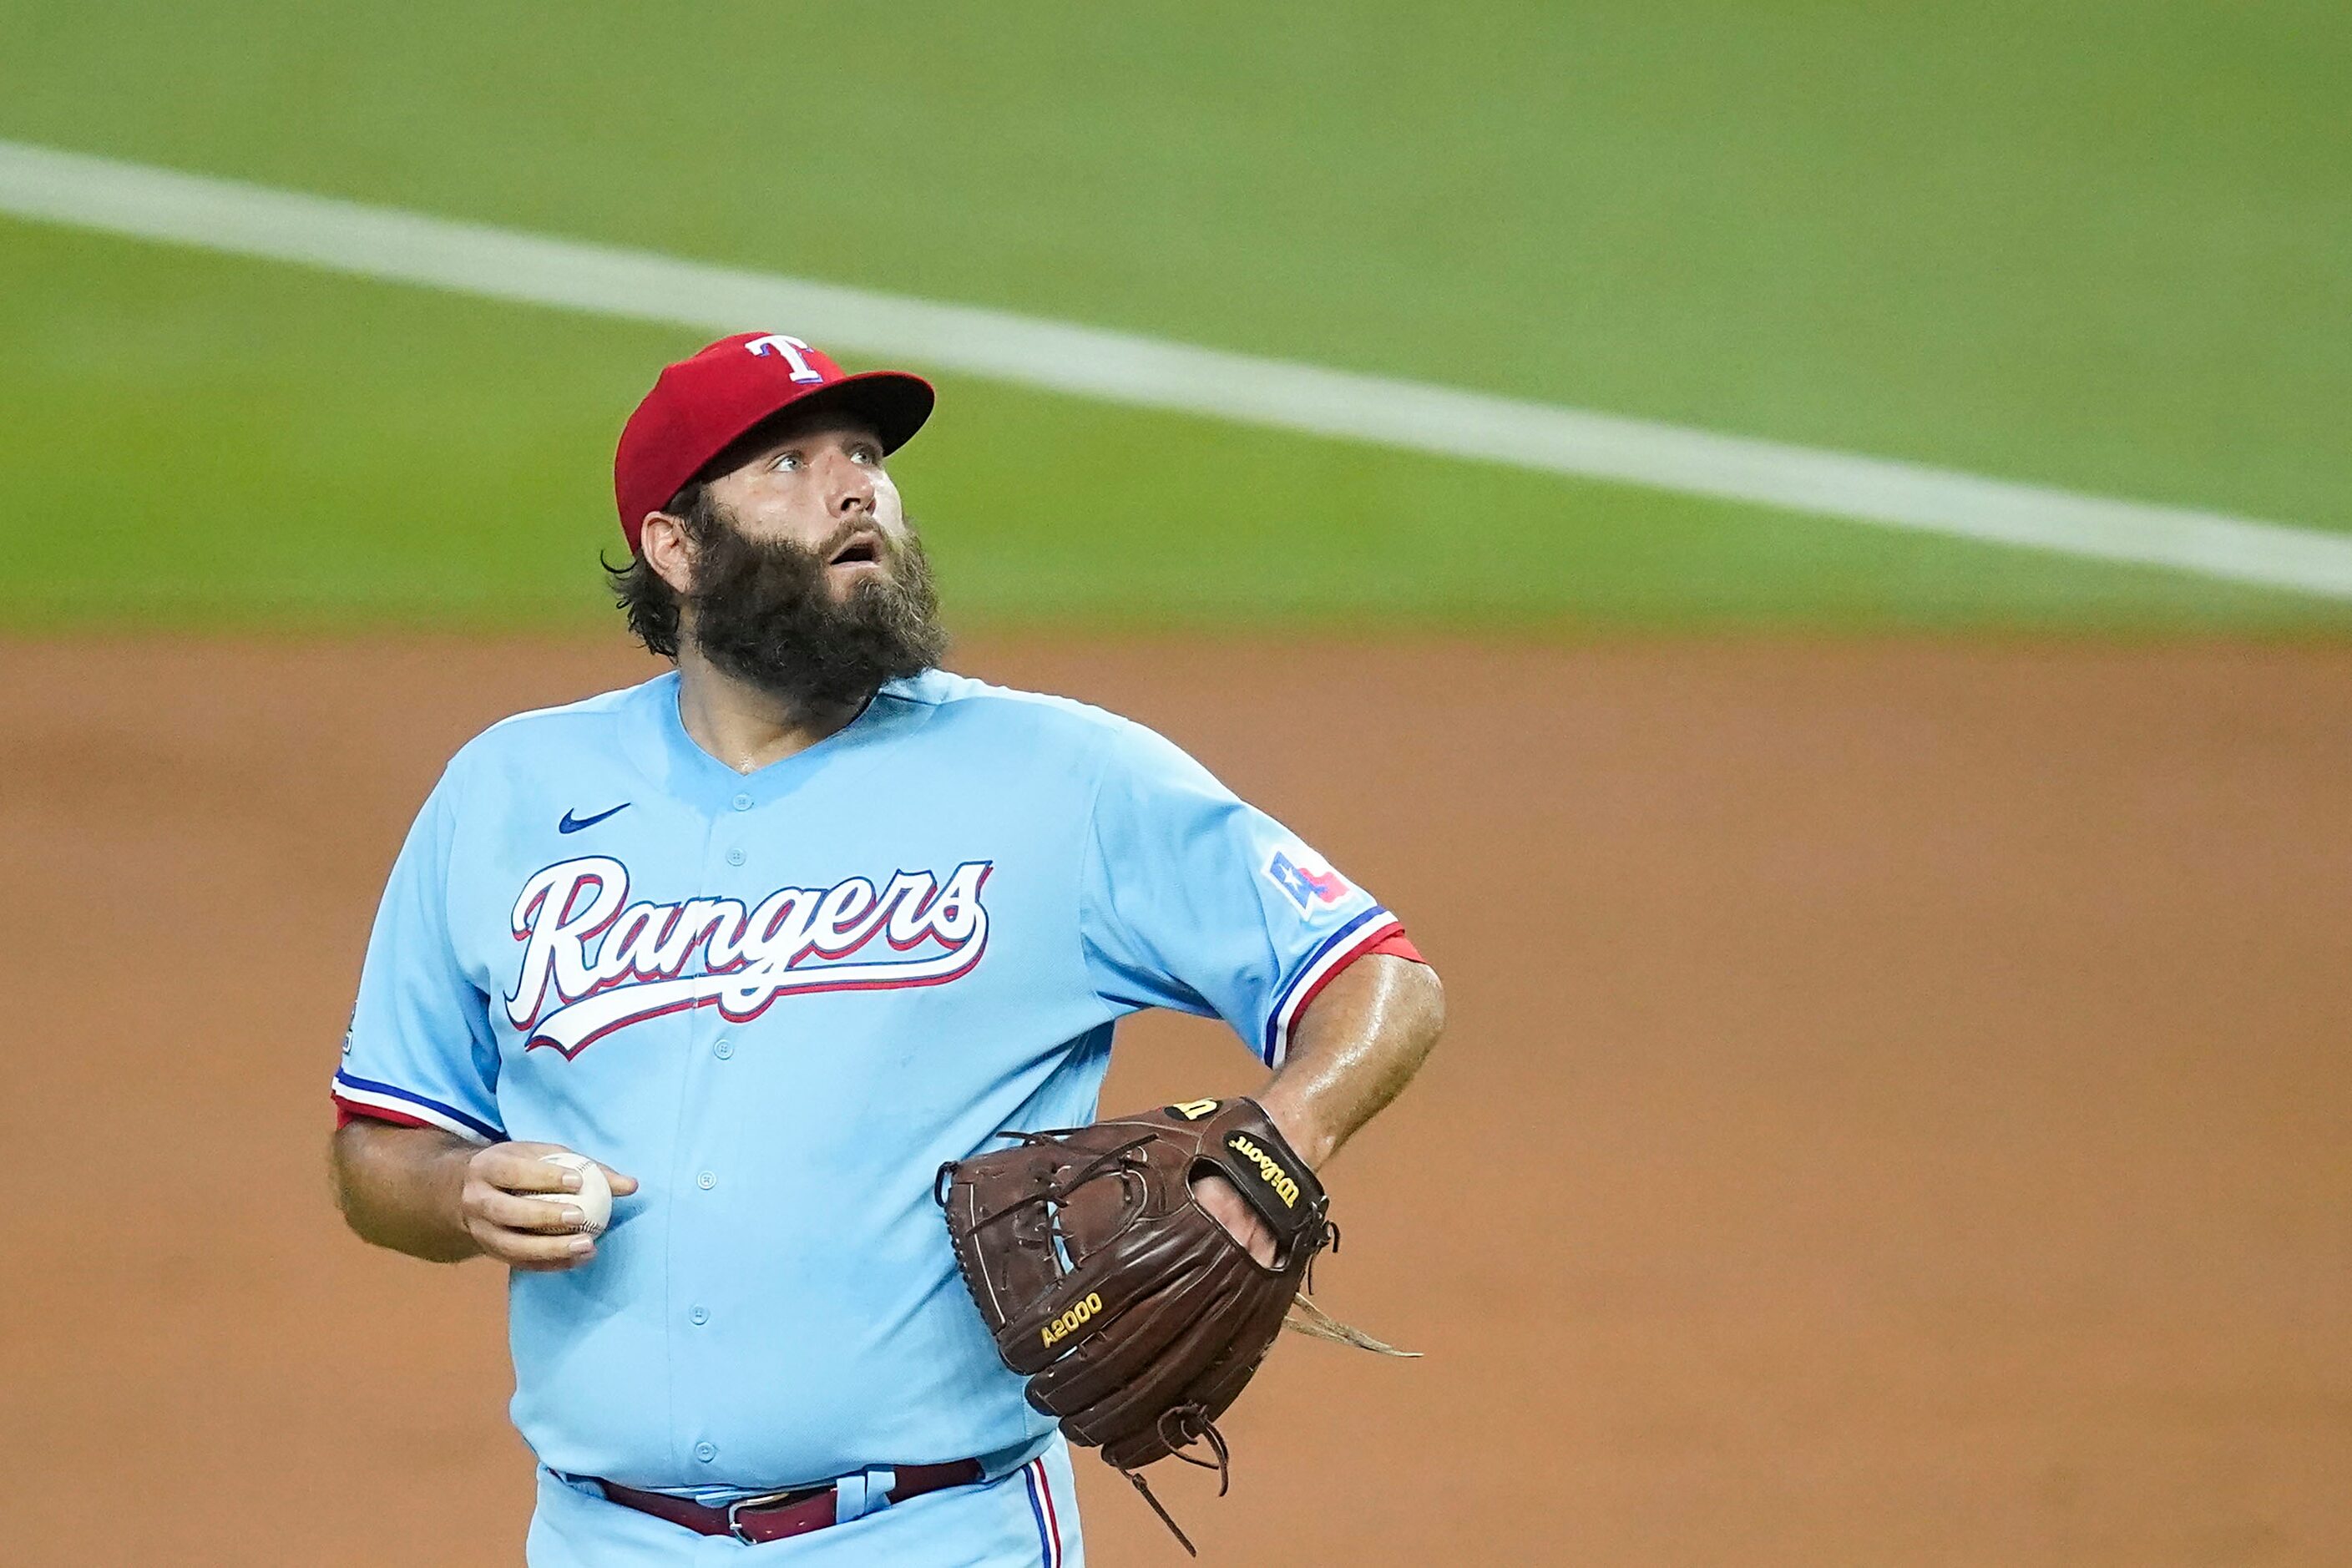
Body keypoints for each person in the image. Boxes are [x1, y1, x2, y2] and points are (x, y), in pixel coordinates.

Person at [327, 331, 1446, 1566]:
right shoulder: (507, 791)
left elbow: (1377, 978)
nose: (854, 486)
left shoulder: (1059, 779)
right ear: (676, 546)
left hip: (939, 1531)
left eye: (864, 455)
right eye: (788, 465)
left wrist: (1272, 1152)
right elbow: (382, 1144)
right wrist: (455, 1189)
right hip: (603, 1539)